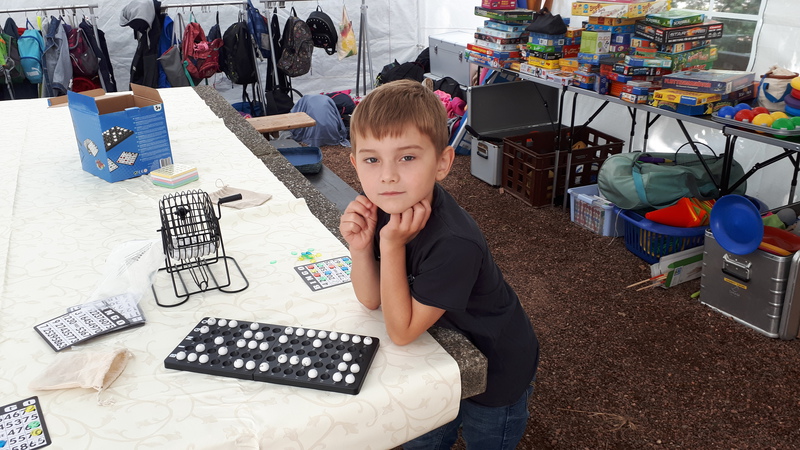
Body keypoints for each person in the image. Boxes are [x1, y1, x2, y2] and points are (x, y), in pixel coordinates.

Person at [338, 79, 540, 449]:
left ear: (442, 163)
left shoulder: (454, 242)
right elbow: (371, 299)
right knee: (428, 434)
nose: (387, 175)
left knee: (486, 437)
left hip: (496, 366)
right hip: (439, 351)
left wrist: (391, 245)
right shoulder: (387, 205)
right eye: (372, 159)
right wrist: (361, 248)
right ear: (355, 163)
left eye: (407, 157)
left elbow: (401, 332)